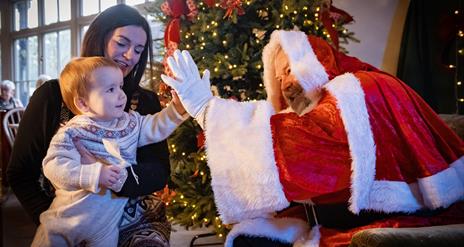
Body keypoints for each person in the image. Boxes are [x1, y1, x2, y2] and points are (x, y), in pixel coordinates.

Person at [161, 30, 464, 246]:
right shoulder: (342, 92)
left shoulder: (356, 91)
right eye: (279, 79)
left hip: (405, 221)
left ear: (316, 64)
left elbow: (304, 143)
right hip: (355, 218)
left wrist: (207, 111)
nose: (285, 86)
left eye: (290, 70)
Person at [7, 4, 180, 246]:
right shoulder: (51, 96)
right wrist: (56, 221)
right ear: (99, 38)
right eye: (122, 43)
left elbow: (159, 171)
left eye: (139, 49)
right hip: (65, 216)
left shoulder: (146, 101)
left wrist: (114, 178)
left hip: (134, 218)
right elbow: (20, 173)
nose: (130, 55)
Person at [32, 57, 187, 246]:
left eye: (120, 86)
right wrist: (95, 174)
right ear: (83, 104)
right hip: (66, 220)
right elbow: (53, 167)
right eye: (111, 89)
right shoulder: (72, 132)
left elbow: (155, 126)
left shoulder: (129, 123)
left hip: (105, 226)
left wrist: (176, 109)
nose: (121, 95)